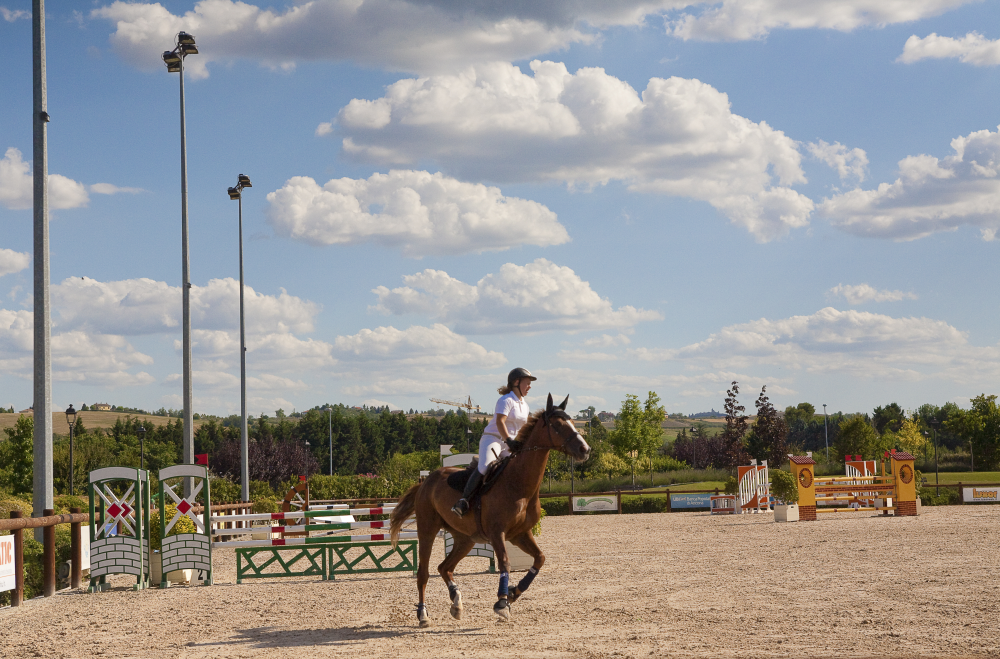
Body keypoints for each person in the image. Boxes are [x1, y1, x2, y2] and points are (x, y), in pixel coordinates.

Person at [451, 367, 536, 518]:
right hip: (493, 439)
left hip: (510, 443)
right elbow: (500, 421)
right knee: (485, 466)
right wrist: (508, 440)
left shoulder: (525, 405)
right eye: (527, 383)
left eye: (530, 384)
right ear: (516, 382)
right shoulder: (506, 400)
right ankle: (464, 501)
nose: (529, 386)